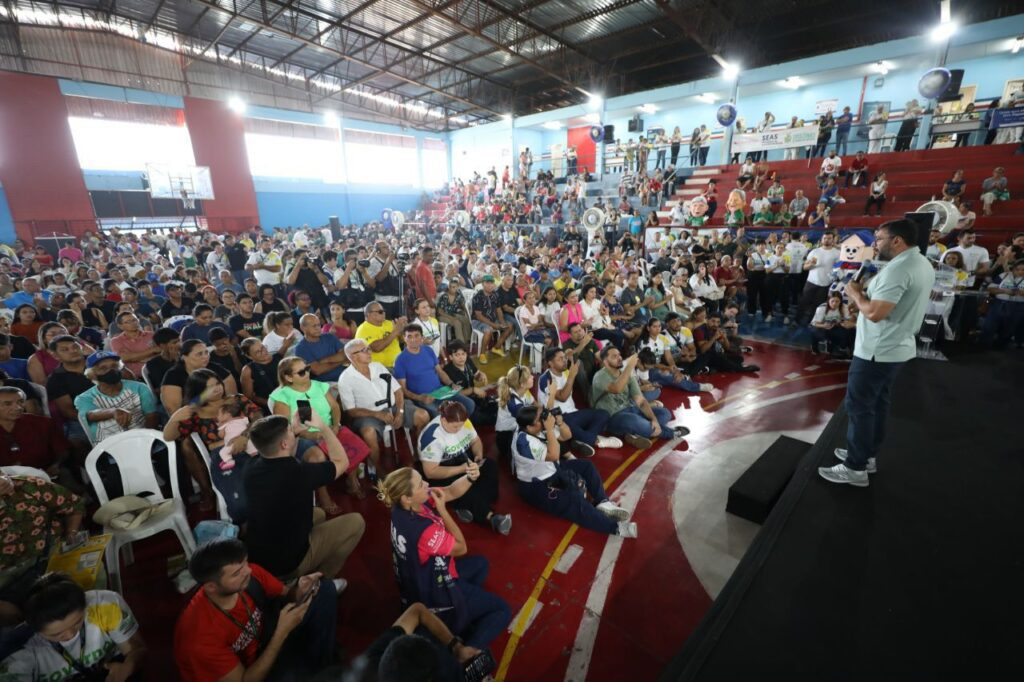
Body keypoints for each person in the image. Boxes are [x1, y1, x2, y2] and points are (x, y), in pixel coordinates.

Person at [819, 219, 935, 487]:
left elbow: (875, 313)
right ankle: (866, 454)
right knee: (877, 404)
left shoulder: (899, 270)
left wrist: (856, 293)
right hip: (895, 347)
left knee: (859, 407)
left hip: (877, 350)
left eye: (879, 238)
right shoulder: (919, 263)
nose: (875, 244)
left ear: (897, 240)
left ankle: (855, 468)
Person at [377, 468, 512, 652]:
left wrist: (470, 477)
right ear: (407, 498)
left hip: (422, 577)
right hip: (435, 591)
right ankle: (467, 652)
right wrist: (443, 511)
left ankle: (464, 614)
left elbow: (449, 491)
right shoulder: (423, 531)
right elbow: (461, 547)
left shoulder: (401, 508)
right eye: (420, 484)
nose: (426, 484)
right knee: (502, 610)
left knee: (481, 565)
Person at [174, 538, 339, 682]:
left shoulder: (250, 575)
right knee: (290, 676)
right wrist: (281, 632)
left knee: (325, 590)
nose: (248, 571)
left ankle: (319, 665)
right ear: (211, 586)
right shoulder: (199, 637)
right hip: (246, 671)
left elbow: (288, 595)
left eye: (245, 563)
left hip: (264, 638)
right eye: (237, 572)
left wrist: (299, 590)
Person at [244, 412, 366, 582]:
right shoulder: (298, 474)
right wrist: (324, 428)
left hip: (261, 557)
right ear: (284, 443)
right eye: (289, 430)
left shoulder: (251, 466)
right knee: (356, 522)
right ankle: (321, 582)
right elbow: (342, 462)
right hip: (288, 564)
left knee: (320, 514)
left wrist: (294, 431)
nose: (291, 432)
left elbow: (284, 453)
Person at [511, 405, 635, 537]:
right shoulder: (523, 441)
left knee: (586, 466)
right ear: (530, 427)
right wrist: (549, 429)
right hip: (537, 486)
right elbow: (553, 454)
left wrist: (560, 422)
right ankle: (616, 528)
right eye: (540, 418)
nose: (544, 418)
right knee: (574, 502)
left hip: (553, 469)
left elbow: (567, 436)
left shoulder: (537, 429)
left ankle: (603, 502)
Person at [0, 572, 146, 681]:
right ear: (35, 630)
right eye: (56, 634)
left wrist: (127, 667)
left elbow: (138, 649)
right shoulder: (19, 650)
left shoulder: (104, 605)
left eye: (77, 622)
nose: (70, 635)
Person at [164, 369, 262, 518]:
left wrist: (244, 436)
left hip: (251, 445)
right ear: (199, 391)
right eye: (208, 387)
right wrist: (174, 418)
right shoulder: (194, 412)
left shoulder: (236, 400)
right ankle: (246, 526)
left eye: (217, 383)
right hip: (224, 458)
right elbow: (168, 436)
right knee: (241, 501)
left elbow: (259, 419)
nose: (217, 388)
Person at [269, 356, 369, 502]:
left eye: (307, 369)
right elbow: (286, 428)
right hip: (301, 436)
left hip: (328, 428)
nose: (307, 373)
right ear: (289, 378)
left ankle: (352, 481)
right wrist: (313, 435)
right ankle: (323, 494)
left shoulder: (319, 386)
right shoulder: (281, 396)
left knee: (348, 443)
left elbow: (335, 407)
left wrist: (335, 426)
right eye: (301, 372)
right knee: (317, 457)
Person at [338, 338, 429, 480]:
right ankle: (379, 469)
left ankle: (420, 454)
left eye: (368, 348)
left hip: (393, 407)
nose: (370, 352)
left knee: (423, 415)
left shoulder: (378, 366)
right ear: (353, 356)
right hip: (368, 415)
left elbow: (398, 391)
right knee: (369, 433)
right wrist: (377, 415)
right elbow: (351, 411)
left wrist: (400, 412)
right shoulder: (345, 379)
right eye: (365, 350)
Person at [417, 400, 510, 534]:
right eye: (455, 427)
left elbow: (475, 440)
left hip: (464, 460)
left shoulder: (463, 422)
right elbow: (431, 472)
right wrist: (463, 469)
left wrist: (478, 456)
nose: (459, 430)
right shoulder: (432, 438)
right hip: (443, 469)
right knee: (465, 484)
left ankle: (465, 505)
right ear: (443, 419)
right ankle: (492, 517)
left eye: (460, 426)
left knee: (490, 466)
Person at [0, 472, 83, 620]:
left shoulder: (28, 486)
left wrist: (72, 532)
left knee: (76, 591)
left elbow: (74, 505)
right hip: (5, 573)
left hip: (47, 555)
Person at [590, 346, 686, 449]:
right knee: (634, 421)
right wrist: (630, 366)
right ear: (605, 361)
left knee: (665, 413)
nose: (619, 358)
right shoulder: (600, 376)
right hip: (613, 417)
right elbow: (617, 388)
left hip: (631, 409)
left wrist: (654, 420)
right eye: (614, 356)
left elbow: (640, 401)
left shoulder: (627, 375)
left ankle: (635, 433)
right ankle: (671, 433)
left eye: (619, 355)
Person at [537, 348, 620, 451]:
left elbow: (577, 362)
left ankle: (582, 439)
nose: (564, 361)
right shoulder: (546, 378)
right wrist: (571, 376)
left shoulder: (566, 372)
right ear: (551, 363)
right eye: (560, 359)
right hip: (559, 418)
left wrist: (572, 368)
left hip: (574, 414)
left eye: (564, 358)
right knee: (569, 424)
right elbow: (563, 397)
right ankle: (597, 441)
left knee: (603, 414)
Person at [75, 350, 159, 443]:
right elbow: (90, 415)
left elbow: (151, 417)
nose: (111, 371)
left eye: (114, 366)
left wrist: (148, 442)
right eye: (103, 368)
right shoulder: (84, 398)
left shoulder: (139, 387)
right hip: (109, 446)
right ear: (92, 374)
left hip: (144, 438)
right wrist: (113, 411)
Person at [394, 324, 475, 419]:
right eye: (409, 336)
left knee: (469, 404)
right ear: (404, 338)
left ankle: (457, 427)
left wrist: (451, 384)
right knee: (442, 416)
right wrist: (420, 398)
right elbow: (402, 389)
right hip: (423, 397)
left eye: (416, 336)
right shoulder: (400, 360)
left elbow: (440, 372)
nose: (413, 339)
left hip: (441, 391)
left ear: (422, 337)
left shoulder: (428, 350)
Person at [160, 339, 238, 414]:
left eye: (206, 352)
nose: (205, 357)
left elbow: (232, 397)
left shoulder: (217, 369)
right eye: (199, 354)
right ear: (184, 357)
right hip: (191, 419)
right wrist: (205, 395)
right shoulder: (173, 376)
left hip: (223, 413)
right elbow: (174, 410)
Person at [795, 232, 840, 325]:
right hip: (811, 282)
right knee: (803, 302)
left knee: (817, 306)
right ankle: (796, 321)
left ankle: (812, 323)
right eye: (825, 238)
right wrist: (811, 264)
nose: (827, 240)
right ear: (822, 239)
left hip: (825, 284)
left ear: (833, 240)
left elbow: (838, 269)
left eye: (829, 238)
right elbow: (804, 267)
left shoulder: (837, 253)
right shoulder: (814, 251)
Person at [470, 275, 513, 364]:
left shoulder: (495, 295)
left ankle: (496, 347)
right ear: (483, 284)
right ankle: (482, 354)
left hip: (492, 319)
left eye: (491, 283)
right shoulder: (478, 297)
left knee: (509, 326)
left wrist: (502, 322)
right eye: (487, 283)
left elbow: (498, 309)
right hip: (478, 321)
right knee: (488, 330)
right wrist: (494, 325)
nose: (490, 285)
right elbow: (479, 316)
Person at [293, 313, 348, 383]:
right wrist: (341, 361)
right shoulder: (301, 348)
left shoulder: (329, 336)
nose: (318, 328)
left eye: (319, 325)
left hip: (346, 374)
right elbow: (318, 370)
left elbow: (344, 354)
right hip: (325, 383)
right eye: (314, 326)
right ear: (303, 328)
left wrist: (325, 360)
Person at [355, 302, 405, 368]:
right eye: (380, 312)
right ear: (368, 314)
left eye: (384, 311)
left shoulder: (389, 323)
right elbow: (376, 348)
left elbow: (401, 341)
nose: (384, 313)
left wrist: (401, 331)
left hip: (398, 365)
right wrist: (395, 332)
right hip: (378, 369)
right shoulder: (363, 329)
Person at [238, 338, 281, 411]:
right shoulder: (247, 370)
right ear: (249, 356)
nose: (263, 352)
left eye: (263, 347)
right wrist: (270, 403)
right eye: (258, 352)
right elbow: (249, 395)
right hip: (269, 407)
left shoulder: (279, 358)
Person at [143, 327, 180, 395]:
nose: (179, 344)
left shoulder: (184, 355)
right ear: (162, 346)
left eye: (179, 341)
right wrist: (177, 362)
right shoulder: (153, 364)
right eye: (174, 342)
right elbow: (165, 387)